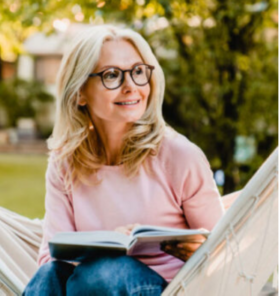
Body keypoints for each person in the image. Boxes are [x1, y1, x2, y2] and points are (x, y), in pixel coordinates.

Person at [23, 24, 225, 296]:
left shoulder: (179, 156)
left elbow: (225, 252)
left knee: (106, 273)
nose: (131, 86)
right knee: (51, 274)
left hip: (171, 289)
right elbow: (52, 260)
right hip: (89, 286)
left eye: (139, 72)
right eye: (112, 75)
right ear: (80, 92)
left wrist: (167, 243)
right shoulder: (65, 162)